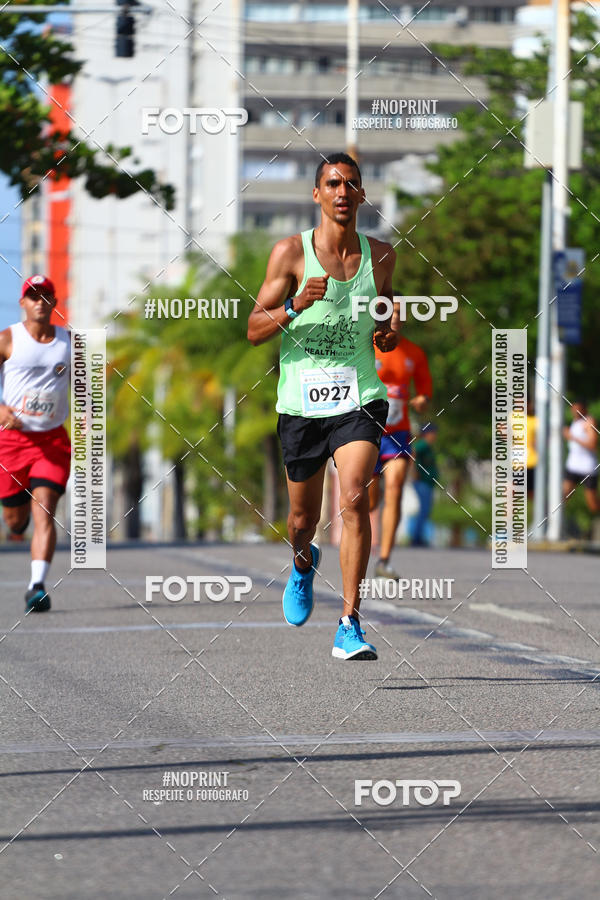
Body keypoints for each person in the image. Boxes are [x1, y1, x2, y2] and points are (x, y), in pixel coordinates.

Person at [247, 152, 397, 660]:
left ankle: (349, 623)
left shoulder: (381, 255)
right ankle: (301, 560)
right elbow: (252, 330)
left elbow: (386, 309)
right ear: (317, 194)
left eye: (351, 184)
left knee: (355, 495)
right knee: (301, 519)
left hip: (359, 396)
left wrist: (389, 330)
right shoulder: (290, 253)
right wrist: (295, 305)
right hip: (301, 402)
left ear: (361, 194)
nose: (341, 192)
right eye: (332, 183)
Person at [0, 275, 71, 611]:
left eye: (46, 296)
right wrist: (1, 409)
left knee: (45, 510)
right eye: (33, 296)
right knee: (16, 521)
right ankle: (18, 515)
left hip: (52, 441)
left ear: (55, 303)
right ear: (23, 303)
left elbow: (90, 389)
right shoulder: (7, 339)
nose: (40, 302)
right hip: (12, 442)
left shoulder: (70, 343)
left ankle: (37, 586)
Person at [368, 335, 432, 577]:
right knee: (371, 501)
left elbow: (425, 391)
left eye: (399, 313)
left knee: (395, 488)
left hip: (398, 434)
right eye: (389, 312)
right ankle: (361, 543)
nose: (394, 317)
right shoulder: (364, 344)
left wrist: (422, 401)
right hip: (367, 432)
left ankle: (384, 560)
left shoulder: (413, 352)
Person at [563, 400, 599, 513]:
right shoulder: (575, 421)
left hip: (587, 468)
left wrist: (573, 437)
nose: (575, 412)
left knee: (592, 504)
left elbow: (592, 444)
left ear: (584, 409)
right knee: (562, 498)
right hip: (573, 466)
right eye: (573, 409)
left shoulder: (589, 422)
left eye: (578, 409)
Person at [409, 423, 439, 547]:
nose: (435, 436)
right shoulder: (422, 444)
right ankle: (416, 538)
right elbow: (412, 454)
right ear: (428, 434)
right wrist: (414, 472)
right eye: (434, 433)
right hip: (422, 482)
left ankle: (418, 537)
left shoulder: (428, 446)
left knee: (425, 510)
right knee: (424, 509)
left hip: (427, 482)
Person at [526, 397, 537, 500]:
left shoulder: (535, 420)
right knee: (510, 492)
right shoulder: (512, 418)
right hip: (516, 463)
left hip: (532, 462)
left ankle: (543, 514)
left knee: (533, 495)